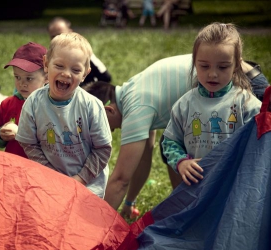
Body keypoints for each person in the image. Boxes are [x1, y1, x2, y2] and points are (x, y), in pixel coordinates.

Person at [84, 50, 269, 219]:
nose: (107, 131)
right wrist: (129, 203)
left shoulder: (137, 107)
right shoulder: (132, 91)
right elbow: (143, 158)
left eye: (96, 125)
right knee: (169, 144)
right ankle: (185, 207)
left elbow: (120, 179)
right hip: (239, 74)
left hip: (245, 85)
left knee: (253, 156)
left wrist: (92, 226)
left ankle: (199, 209)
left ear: (108, 110)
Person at [162, 22, 262, 186]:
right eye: (204, 66)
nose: (213, 74)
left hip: (233, 188)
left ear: (236, 65)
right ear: (195, 63)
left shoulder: (248, 105)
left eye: (223, 67)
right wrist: (181, 162)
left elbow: (260, 147)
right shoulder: (184, 105)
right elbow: (170, 142)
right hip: (197, 189)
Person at [15, 32, 113, 198]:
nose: (66, 74)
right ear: (46, 64)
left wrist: (80, 179)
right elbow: (29, 144)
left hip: (88, 187)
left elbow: (102, 149)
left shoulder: (91, 106)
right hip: (48, 183)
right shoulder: (33, 103)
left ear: (85, 74)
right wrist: (52, 176)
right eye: (59, 66)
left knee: (83, 223)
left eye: (75, 70)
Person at [0, 42, 48, 158]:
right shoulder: (7, 104)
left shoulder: (51, 105)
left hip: (41, 169)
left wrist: (22, 134)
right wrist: (1, 134)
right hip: (13, 166)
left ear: (46, 77)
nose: (22, 83)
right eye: (17, 77)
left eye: (29, 78)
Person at [47, 16, 112, 87]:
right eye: (54, 36)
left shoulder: (83, 53)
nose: (58, 39)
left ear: (70, 32)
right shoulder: (51, 56)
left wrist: (88, 90)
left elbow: (106, 77)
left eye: (61, 34)